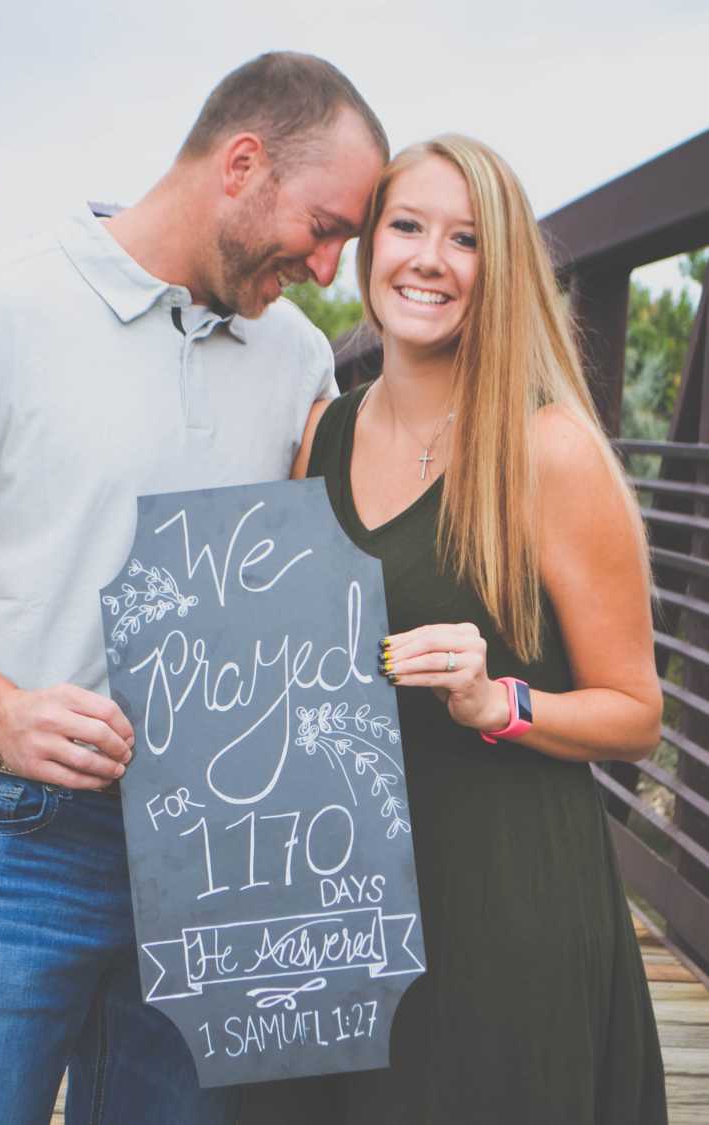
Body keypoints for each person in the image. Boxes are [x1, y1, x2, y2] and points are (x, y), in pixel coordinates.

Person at [0, 53, 387, 1125]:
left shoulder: (301, 359)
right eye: (326, 226)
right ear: (244, 164)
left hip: (218, 854)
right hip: (12, 842)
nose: (326, 267)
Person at [243, 135, 667, 1124]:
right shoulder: (324, 432)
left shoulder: (549, 449)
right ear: (368, 247)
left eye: (466, 238)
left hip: (501, 898)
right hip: (342, 897)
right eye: (407, 226)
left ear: (502, 268)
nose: (429, 258)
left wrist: (499, 702)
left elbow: (637, 714)